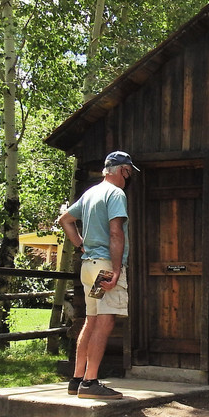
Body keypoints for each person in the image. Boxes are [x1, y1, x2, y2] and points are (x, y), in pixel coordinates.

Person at [58, 150, 140, 399]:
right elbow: (116, 233)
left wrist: (81, 244)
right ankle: (90, 382)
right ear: (123, 170)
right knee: (105, 322)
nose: (128, 178)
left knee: (91, 320)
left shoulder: (91, 193)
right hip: (105, 266)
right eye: (128, 173)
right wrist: (116, 271)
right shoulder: (116, 194)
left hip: (89, 265)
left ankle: (76, 379)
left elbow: (65, 220)